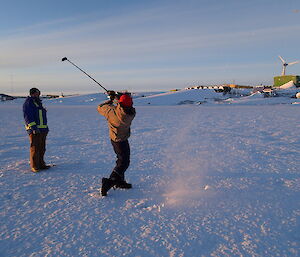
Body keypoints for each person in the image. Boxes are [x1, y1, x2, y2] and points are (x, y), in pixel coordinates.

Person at [97, 91, 136, 196]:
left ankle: (119, 181)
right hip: (121, 140)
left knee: (121, 160)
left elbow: (100, 107)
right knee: (124, 162)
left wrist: (111, 99)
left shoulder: (110, 111)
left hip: (114, 139)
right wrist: (117, 98)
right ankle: (109, 182)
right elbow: (126, 106)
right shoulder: (130, 114)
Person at [23, 88, 50, 172]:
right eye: (37, 93)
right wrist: (34, 128)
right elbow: (28, 117)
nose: (38, 95)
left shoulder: (38, 103)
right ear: (32, 93)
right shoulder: (29, 102)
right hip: (35, 129)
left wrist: (45, 128)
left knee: (42, 147)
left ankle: (41, 164)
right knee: (35, 147)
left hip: (43, 129)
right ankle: (35, 166)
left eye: (39, 93)